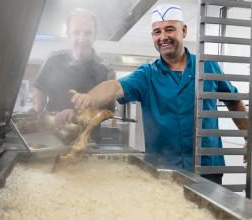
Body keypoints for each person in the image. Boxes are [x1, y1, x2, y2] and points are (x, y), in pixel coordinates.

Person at [69, 4, 249, 184]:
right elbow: (115, 87)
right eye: (157, 32)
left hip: (207, 167)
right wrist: (90, 97)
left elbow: (233, 102)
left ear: (184, 30)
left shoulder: (207, 66)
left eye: (169, 30)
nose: (163, 37)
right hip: (165, 170)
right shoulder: (147, 75)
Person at [33, 8, 115, 143]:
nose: (82, 39)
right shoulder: (53, 59)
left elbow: (108, 112)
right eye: (76, 32)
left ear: (95, 35)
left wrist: (77, 116)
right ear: (68, 34)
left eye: (87, 33)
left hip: (87, 141)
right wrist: (38, 112)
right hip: (51, 138)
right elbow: (39, 92)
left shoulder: (106, 69)